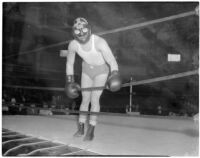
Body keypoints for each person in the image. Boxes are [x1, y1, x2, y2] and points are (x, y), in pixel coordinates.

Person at [65, 17, 122, 141]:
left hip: (101, 70)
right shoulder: (73, 45)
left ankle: (91, 129)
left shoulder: (99, 42)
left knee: (95, 99)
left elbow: (111, 60)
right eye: (78, 31)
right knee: (85, 99)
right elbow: (70, 63)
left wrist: (115, 73)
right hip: (86, 70)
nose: (81, 33)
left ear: (89, 29)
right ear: (74, 32)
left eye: (84, 29)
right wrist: (69, 80)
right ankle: (81, 128)